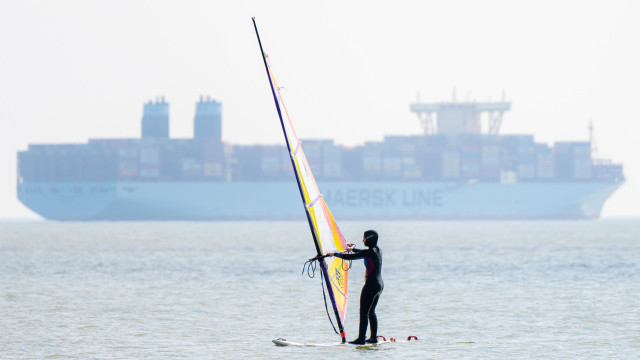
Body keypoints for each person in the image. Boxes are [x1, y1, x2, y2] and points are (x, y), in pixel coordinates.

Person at [327, 230, 383, 345]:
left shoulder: (369, 252)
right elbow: (362, 252)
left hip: (371, 285)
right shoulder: (377, 250)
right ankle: (373, 338)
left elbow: (353, 257)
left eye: (364, 238)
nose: (363, 240)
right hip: (379, 285)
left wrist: (334, 254)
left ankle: (361, 339)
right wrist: (353, 249)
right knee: (371, 311)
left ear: (369, 239)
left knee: (363, 312)